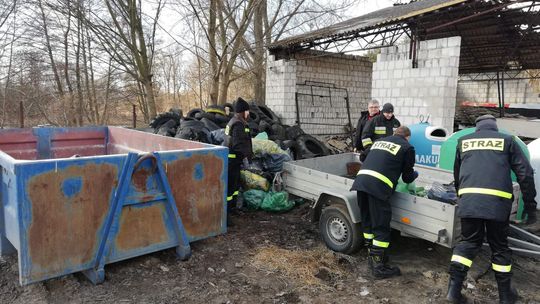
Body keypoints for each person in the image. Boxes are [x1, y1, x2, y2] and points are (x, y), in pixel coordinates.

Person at [446, 115, 537, 304]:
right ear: (495, 127)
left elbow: (457, 173)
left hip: (469, 201)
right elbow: (525, 173)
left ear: (477, 128)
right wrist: (530, 206)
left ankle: (453, 292)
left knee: (468, 243)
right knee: (499, 247)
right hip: (497, 204)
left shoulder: (463, 142)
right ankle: (505, 296)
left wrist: (462, 196)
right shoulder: (508, 141)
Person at [351, 126, 418, 279]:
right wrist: (415, 174)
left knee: (367, 221)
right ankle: (378, 267)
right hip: (378, 188)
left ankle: (371, 255)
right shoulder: (408, 147)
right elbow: (407, 178)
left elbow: (362, 157)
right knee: (381, 225)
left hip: (361, 182)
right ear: (407, 137)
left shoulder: (380, 141)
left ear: (395, 133)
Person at [222, 97, 253, 223]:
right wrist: (246, 156)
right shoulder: (238, 124)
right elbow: (237, 144)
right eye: (247, 111)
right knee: (229, 190)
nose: (248, 114)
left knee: (234, 188)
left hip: (234, 161)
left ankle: (233, 209)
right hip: (232, 161)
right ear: (242, 112)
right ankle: (226, 217)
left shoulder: (235, 121)